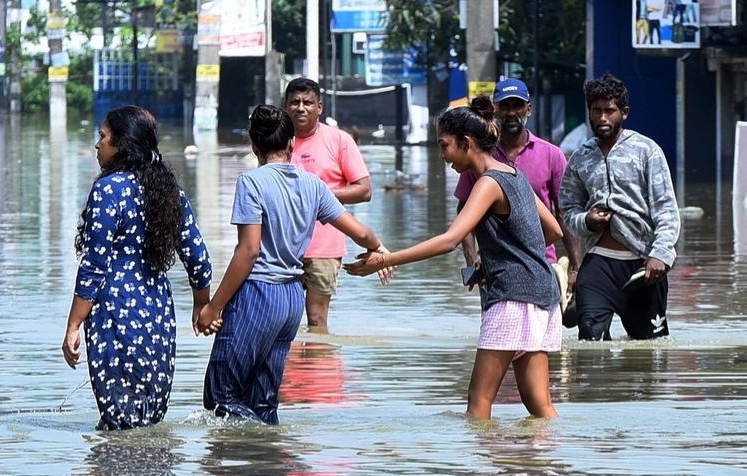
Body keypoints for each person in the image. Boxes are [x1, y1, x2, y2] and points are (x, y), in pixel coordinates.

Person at [346, 95, 563, 420]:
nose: (442, 154)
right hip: (543, 296)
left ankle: (481, 472)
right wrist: (514, 254)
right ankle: (550, 467)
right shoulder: (515, 174)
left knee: (478, 404)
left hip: (512, 299)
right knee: (540, 406)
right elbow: (554, 230)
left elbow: (450, 241)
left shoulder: (488, 183)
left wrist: (385, 260)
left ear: (466, 143)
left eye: (444, 145)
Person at [195, 104, 390, 425]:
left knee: (220, 396)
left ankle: (251, 458)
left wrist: (214, 306)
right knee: (264, 401)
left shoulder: (252, 182)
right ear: (292, 144)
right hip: (290, 300)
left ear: (254, 145)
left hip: (258, 294)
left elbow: (248, 252)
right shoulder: (313, 185)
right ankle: (271, 466)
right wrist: (381, 250)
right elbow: (361, 233)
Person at [62, 106, 212, 430]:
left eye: (103, 136)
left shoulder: (108, 190)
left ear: (121, 145)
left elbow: (94, 266)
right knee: (147, 422)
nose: (98, 144)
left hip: (114, 314)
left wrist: (73, 325)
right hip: (158, 316)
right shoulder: (170, 191)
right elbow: (198, 256)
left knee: (118, 423)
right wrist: (202, 303)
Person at [559, 74, 680, 341]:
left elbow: (667, 211)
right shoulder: (579, 158)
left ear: (623, 113)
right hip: (598, 264)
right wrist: (587, 221)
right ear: (589, 112)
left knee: (651, 350)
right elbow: (567, 210)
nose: (603, 117)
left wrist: (660, 254)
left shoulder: (647, 151)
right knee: (591, 340)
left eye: (609, 111)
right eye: (596, 110)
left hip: (643, 267)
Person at [454, 78, 581, 305]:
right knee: (497, 334)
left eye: (517, 105)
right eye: (505, 106)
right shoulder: (480, 157)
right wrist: (472, 261)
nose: (511, 113)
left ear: (528, 110)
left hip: (542, 264)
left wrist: (577, 268)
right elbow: (464, 214)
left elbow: (562, 215)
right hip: (495, 269)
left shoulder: (551, 155)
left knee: (540, 333)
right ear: (495, 111)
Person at [283, 77, 385, 331]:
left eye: (308, 102)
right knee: (282, 321)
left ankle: (318, 368)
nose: (301, 108)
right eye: (294, 102)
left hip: (324, 246)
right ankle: (289, 371)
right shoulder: (277, 141)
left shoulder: (339, 140)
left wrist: (320, 195)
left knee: (317, 320)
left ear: (320, 107)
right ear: (286, 107)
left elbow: (364, 190)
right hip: (281, 246)